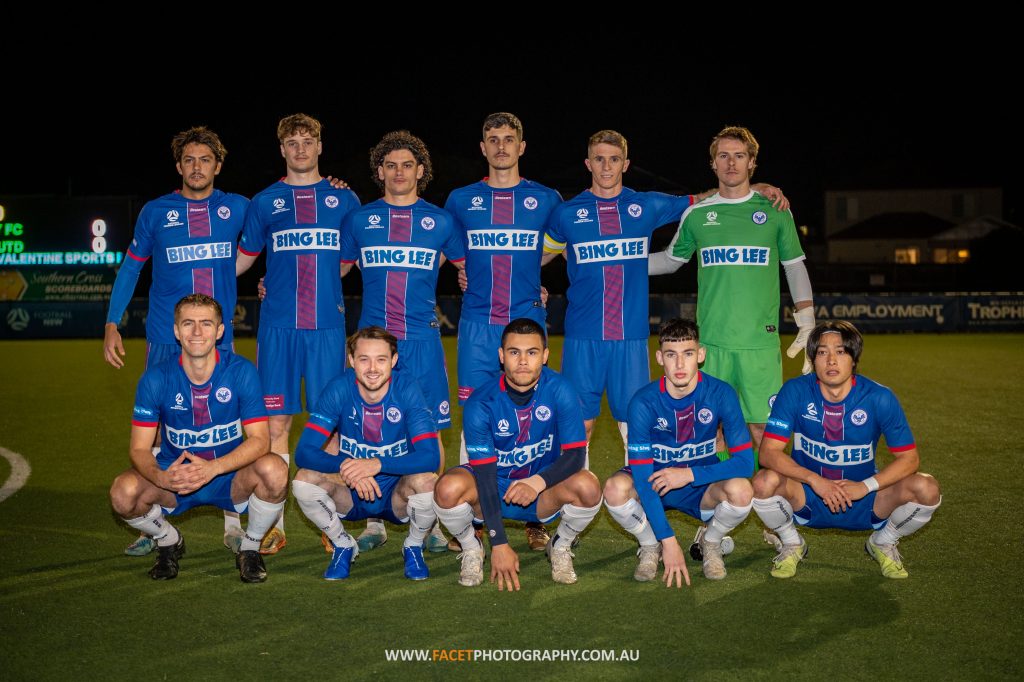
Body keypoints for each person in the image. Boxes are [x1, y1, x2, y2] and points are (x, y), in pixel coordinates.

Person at [544, 130, 787, 464]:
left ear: (625, 164)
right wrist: (532, 287)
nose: (606, 166)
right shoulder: (566, 214)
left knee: (635, 427)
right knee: (578, 427)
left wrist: (748, 190)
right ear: (588, 163)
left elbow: (701, 199)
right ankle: (574, 503)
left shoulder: (646, 205)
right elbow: (538, 257)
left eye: (614, 159)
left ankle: (635, 503)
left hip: (630, 339)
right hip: (581, 337)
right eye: (599, 159)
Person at [103, 126, 250, 556]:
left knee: (230, 419)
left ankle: (232, 514)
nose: (197, 166)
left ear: (217, 166)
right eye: (189, 160)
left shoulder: (237, 208)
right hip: (165, 340)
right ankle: (155, 520)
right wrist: (113, 321)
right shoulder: (156, 211)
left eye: (205, 159)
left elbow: (280, 231)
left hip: (216, 341)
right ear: (179, 166)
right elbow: (131, 268)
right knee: (159, 425)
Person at [236, 113, 361, 554]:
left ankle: (333, 522)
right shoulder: (264, 201)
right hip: (277, 330)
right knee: (276, 425)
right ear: (282, 149)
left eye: (308, 140)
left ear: (320, 146)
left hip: (327, 329)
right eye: (292, 141)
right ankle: (274, 522)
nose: (301, 148)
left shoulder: (344, 200)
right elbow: (243, 260)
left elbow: (347, 263)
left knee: (331, 426)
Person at [650, 125, 814, 454]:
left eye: (739, 156)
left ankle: (773, 499)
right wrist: (616, 261)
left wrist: (807, 319)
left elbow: (794, 264)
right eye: (723, 156)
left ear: (752, 162)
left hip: (759, 341)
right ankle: (723, 500)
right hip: (711, 342)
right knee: (713, 428)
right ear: (713, 164)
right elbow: (670, 261)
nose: (731, 163)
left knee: (763, 431)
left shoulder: (774, 210)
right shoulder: (697, 215)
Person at [339, 130, 464, 552]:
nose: (398, 172)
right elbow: (333, 272)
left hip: (422, 344)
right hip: (372, 346)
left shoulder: (441, 221)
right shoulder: (359, 220)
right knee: (366, 432)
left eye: (407, 165)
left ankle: (431, 525)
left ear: (420, 172)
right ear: (380, 172)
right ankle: (373, 520)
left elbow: (469, 271)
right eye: (390, 165)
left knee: (433, 432)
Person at [444, 112, 562, 552]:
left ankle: (536, 515)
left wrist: (534, 276)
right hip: (477, 324)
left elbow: (563, 244)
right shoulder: (461, 199)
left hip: (527, 322)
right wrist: (461, 271)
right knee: (474, 415)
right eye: (492, 139)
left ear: (522, 146)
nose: (500, 146)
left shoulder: (546, 198)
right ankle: (469, 517)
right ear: (482, 147)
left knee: (537, 419)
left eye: (508, 139)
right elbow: (442, 247)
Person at [108, 294, 288, 582]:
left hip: (227, 475)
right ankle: (168, 541)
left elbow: (260, 441)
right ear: (176, 331)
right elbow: (139, 449)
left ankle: (250, 547)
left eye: (206, 324)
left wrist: (213, 468)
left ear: (219, 331)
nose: (196, 332)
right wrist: (162, 477)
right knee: (122, 493)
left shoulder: (241, 372)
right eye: (188, 324)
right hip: (175, 477)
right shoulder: (156, 379)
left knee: (275, 470)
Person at [751, 321, 942, 579]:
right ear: (812, 359)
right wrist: (815, 480)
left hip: (863, 499)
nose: (831, 360)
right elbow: (768, 452)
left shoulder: (879, 397)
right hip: (807, 495)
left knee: (926, 488)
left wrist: (865, 487)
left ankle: (883, 541)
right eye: (822, 352)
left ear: (853, 359)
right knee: (763, 482)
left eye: (840, 351)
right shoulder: (795, 391)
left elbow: (909, 459)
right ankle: (792, 543)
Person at [433, 318, 602, 589]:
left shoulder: (561, 390)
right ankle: (472, 547)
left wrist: (537, 482)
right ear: (501, 356)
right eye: (514, 352)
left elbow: (575, 455)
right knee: (447, 488)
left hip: (541, 490)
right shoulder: (481, 402)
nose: (523, 361)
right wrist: (498, 542)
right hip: (493, 488)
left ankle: (560, 545)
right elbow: (485, 475)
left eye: (532, 352)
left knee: (589, 486)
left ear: (545, 356)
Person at [605, 318, 754, 586]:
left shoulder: (721, 394)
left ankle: (710, 541)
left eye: (688, 354)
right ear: (660, 357)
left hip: (700, 485)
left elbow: (745, 463)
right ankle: (651, 545)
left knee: (741, 490)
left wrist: (688, 474)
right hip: (654, 482)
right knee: (615, 489)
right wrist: (668, 540)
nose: (680, 364)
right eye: (671, 355)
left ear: (701, 355)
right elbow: (641, 476)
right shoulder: (643, 402)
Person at [291, 326, 441, 580]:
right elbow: (304, 452)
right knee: (303, 481)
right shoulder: (338, 389)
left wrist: (376, 464)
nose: (372, 368)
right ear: (351, 360)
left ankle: (413, 545)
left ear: (393, 360)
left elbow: (431, 457)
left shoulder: (407, 389)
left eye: (381, 359)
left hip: (396, 494)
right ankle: (342, 545)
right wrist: (350, 467)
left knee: (428, 482)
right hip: (352, 491)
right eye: (364, 359)